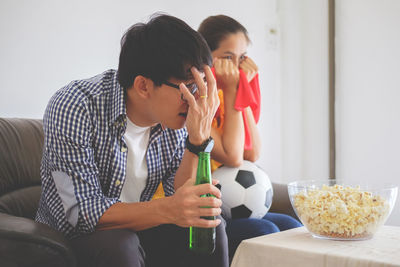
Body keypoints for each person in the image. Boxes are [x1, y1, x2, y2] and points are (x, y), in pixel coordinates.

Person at [35, 14, 229, 267]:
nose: (198, 101)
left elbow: (180, 194)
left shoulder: (174, 118)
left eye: (201, 88)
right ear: (143, 86)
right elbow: (81, 213)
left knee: (209, 224)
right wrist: (170, 209)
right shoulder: (76, 105)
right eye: (189, 88)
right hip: (72, 238)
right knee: (120, 243)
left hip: (139, 229)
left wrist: (197, 140)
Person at [198, 14, 302, 261]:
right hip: (210, 206)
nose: (235, 67)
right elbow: (233, 157)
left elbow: (252, 152)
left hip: (234, 197)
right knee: (265, 231)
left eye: (241, 58)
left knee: (291, 226)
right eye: (226, 57)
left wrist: (241, 88)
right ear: (205, 57)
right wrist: (234, 89)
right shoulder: (199, 100)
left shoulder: (229, 96)